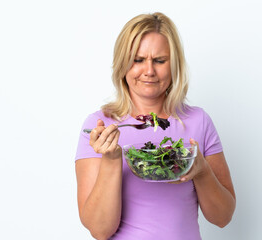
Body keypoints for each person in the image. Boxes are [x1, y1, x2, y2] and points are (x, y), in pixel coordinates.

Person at [75, 12, 236, 240]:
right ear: (123, 64)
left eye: (159, 60)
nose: (149, 71)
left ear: (174, 65)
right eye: (138, 60)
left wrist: (201, 171)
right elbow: (100, 230)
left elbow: (223, 217)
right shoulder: (100, 127)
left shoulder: (198, 121)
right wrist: (111, 160)